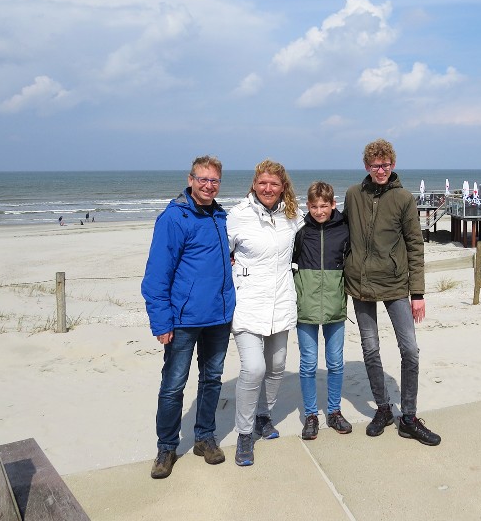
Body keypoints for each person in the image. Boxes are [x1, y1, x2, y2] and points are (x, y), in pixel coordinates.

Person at [141, 155, 236, 479]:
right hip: (182, 321)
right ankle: (166, 447)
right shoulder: (174, 217)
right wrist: (161, 321)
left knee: (211, 380)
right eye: (203, 179)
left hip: (219, 317)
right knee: (173, 385)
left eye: (214, 181)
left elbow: (219, 258)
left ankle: (204, 438)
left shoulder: (220, 217)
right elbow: (156, 275)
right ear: (191, 179)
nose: (208, 185)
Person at [343, 139, 441, 446]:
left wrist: (418, 293)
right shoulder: (352, 195)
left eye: (385, 165)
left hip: (396, 285)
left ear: (392, 165)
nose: (381, 170)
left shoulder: (403, 199)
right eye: (375, 165)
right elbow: (336, 232)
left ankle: (409, 417)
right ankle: (383, 409)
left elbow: (415, 244)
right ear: (367, 167)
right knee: (370, 349)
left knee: (409, 350)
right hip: (360, 285)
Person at [228, 160, 303, 466]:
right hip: (247, 304)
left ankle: (263, 416)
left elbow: (317, 233)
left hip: (282, 303)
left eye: (274, 184)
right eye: (263, 183)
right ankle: (245, 435)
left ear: (283, 186)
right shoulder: (237, 216)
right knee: (254, 368)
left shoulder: (293, 216)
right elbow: (221, 252)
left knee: (277, 366)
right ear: (254, 185)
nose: (268, 189)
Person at [293, 182, 352, 440]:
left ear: (333, 204)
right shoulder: (301, 232)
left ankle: (334, 411)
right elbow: (287, 262)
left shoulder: (344, 231)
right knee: (307, 363)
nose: (319, 211)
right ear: (308, 206)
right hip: (305, 305)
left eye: (324, 206)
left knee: (336, 362)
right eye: (314, 206)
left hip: (335, 305)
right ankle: (310, 415)